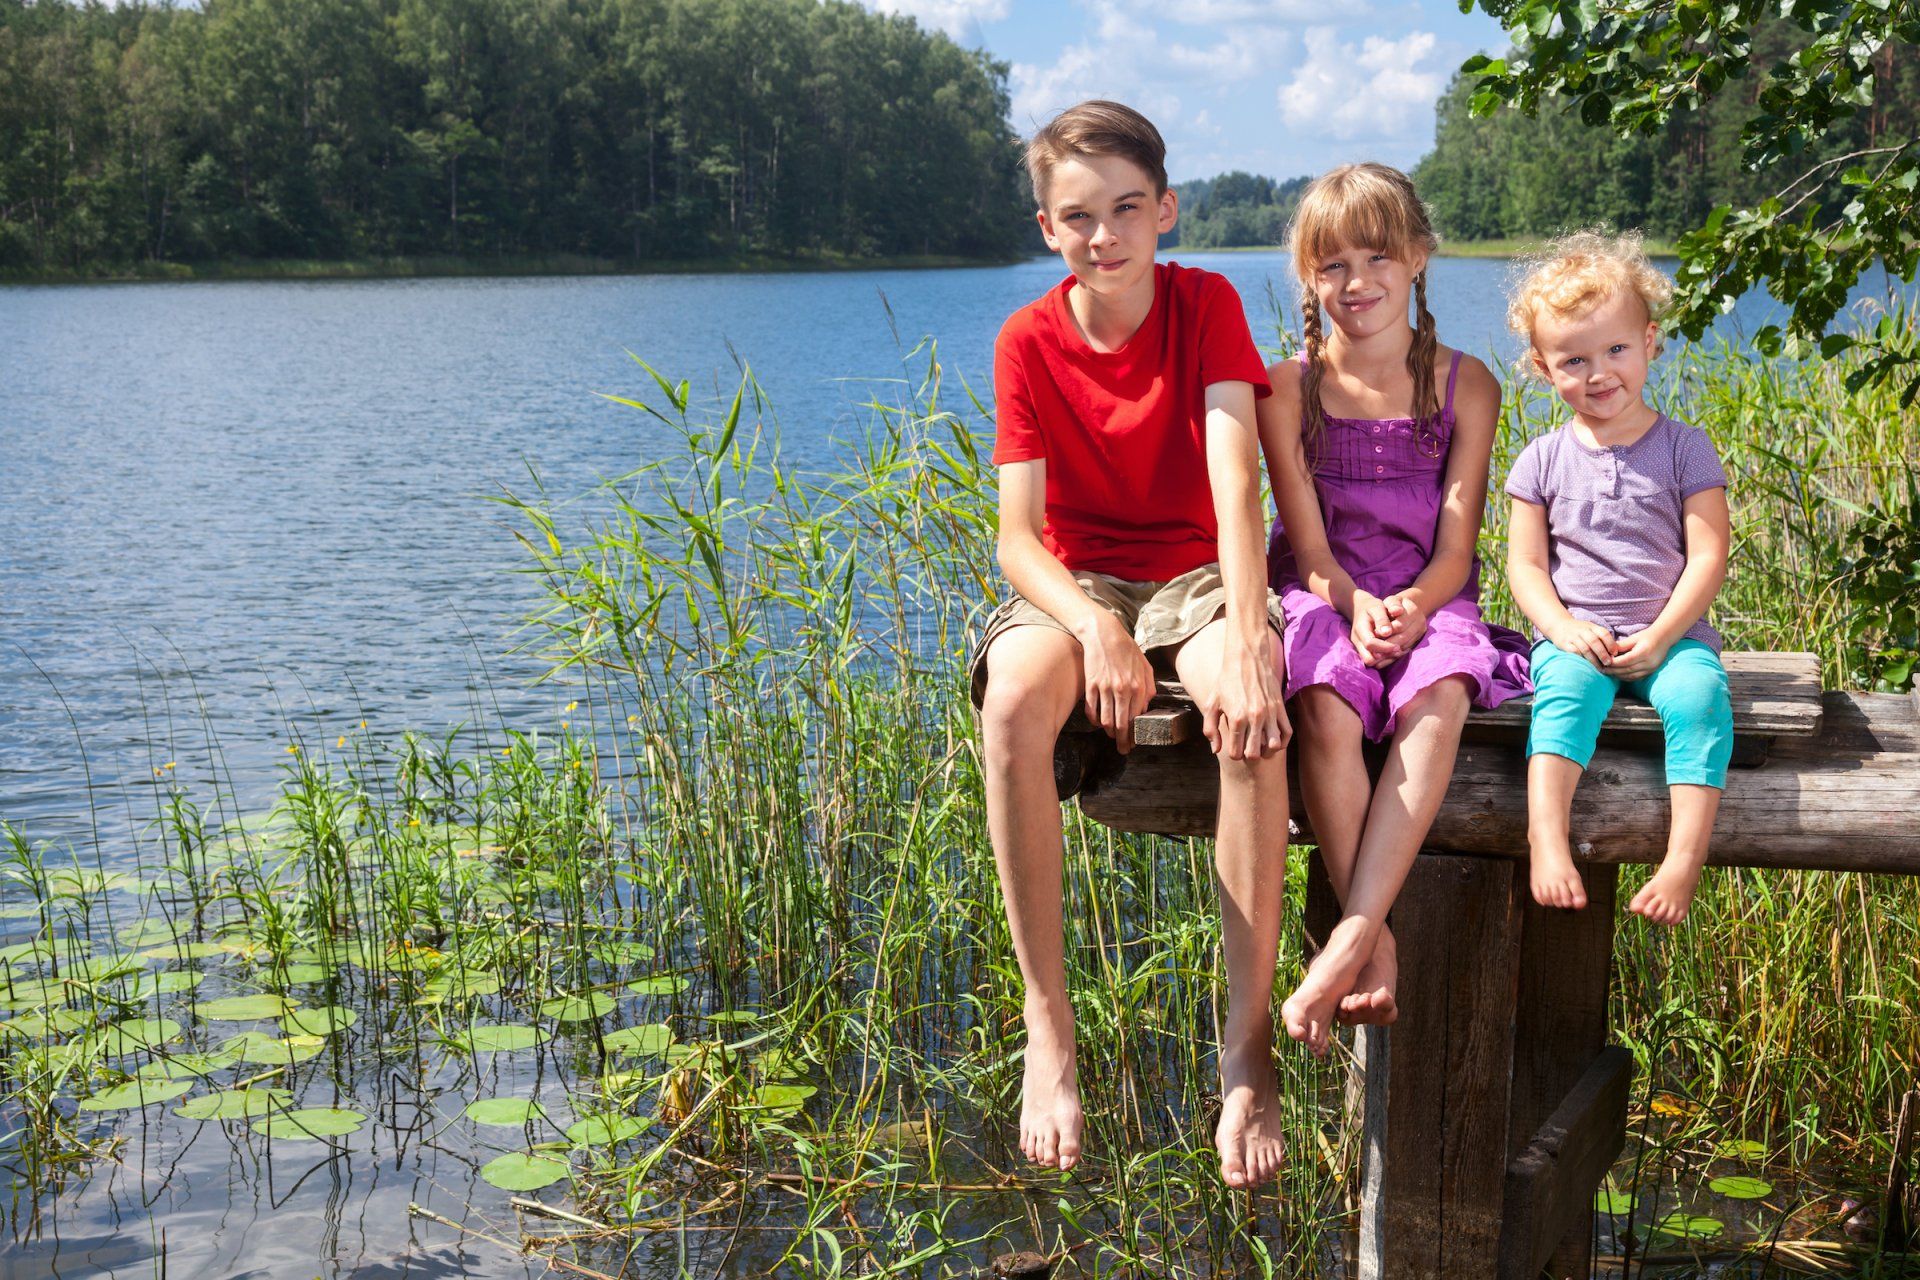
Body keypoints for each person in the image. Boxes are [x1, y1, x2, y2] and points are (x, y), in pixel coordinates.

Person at [973, 100, 1291, 1187]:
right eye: (1076, 217)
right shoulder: (1027, 338)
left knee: (1250, 724)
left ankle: (1245, 1047)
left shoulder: (1204, 302)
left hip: (1199, 571)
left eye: (1123, 209)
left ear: (1163, 209)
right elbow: (1018, 539)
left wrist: (1249, 628)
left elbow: (1233, 471)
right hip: (1082, 581)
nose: (1102, 235)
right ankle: (1049, 1023)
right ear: (1046, 228)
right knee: (1013, 700)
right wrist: (1092, 622)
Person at [1258, 163, 1531, 1058]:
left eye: (1377, 256)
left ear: (1417, 257)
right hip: (1324, 587)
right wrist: (1356, 603)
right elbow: (1309, 547)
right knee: (1329, 703)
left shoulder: (1467, 384)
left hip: (1431, 591)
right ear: (1309, 276)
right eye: (1331, 264)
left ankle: (1349, 935)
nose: (1356, 282)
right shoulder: (1285, 388)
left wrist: (1411, 607)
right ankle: (1373, 945)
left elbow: (1457, 549)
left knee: (1441, 691)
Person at [1505, 231, 1734, 925]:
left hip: (1674, 635)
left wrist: (1665, 638)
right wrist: (1563, 630)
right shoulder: (1541, 460)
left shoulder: (1684, 447)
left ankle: (1682, 861)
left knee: (1699, 699)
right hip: (1579, 638)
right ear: (1545, 369)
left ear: (1651, 343)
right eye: (1574, 359)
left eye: (1615, 351)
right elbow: (1526, 565)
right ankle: (1546, 838)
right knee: (1563, 699)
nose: (1598, 372)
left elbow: (1708, 555)